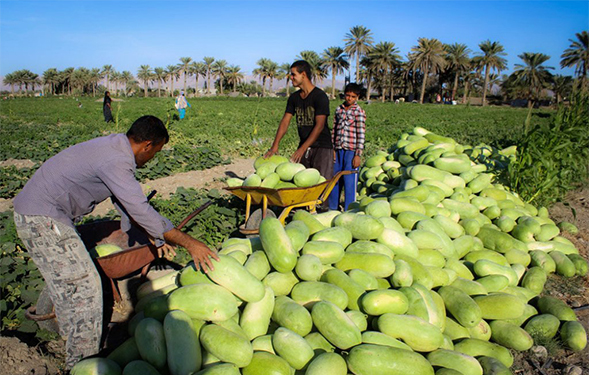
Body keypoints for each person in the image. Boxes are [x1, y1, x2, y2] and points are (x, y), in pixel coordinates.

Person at [12, 115, 218, 370]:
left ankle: (69, 344)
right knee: (86, 287)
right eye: (156, 152)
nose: (153, 158)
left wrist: (155, 236)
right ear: (147, 146)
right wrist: (191, 243)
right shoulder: (117, 160)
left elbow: (125, 203)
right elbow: (139, 209)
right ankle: (82, 365)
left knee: (68, 288)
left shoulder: (113, 147)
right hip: (43, 217)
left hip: (38, 212)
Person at [265, 60, 333, 180]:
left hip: (322, 148)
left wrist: (302, 149)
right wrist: (275, 146)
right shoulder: (294, 98)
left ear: (303, 75)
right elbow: (285, 121)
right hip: (304, 146)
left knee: (321, 187)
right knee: (302, 186)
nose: (291, 78)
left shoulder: (319, 96)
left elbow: (320, 126)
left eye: (293, 74)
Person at [328, 83, 366, 211]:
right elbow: (334, 130)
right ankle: (333, 208)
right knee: (335, 180)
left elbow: (361, 134)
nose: (349, 98)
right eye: (348, 95)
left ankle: (350, 209)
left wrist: (358, 154)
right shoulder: (339, 109)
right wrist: (333, 148)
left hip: (351, 150)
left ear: (357, 97)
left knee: (349, 181)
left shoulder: (359, 112)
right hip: (338, 149)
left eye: (353, 96)